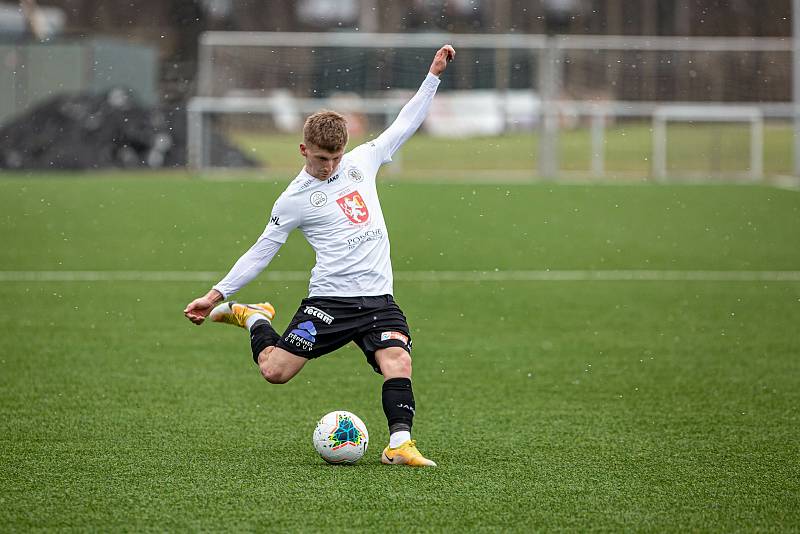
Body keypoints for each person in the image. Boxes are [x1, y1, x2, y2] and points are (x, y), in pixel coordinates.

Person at [184, 45, 456, 467]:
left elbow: (405, 123)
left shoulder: (362, 161)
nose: (329, 166)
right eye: (321, 157)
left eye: (335, 157)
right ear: (303, 149)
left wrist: (433, 76)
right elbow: (261, 251)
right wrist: (216, 294)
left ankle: (399, 444)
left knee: (398, 360)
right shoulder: (292, 200)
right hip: (329, 302)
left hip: (378, 299)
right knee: (275, 372)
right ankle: (255, 316)